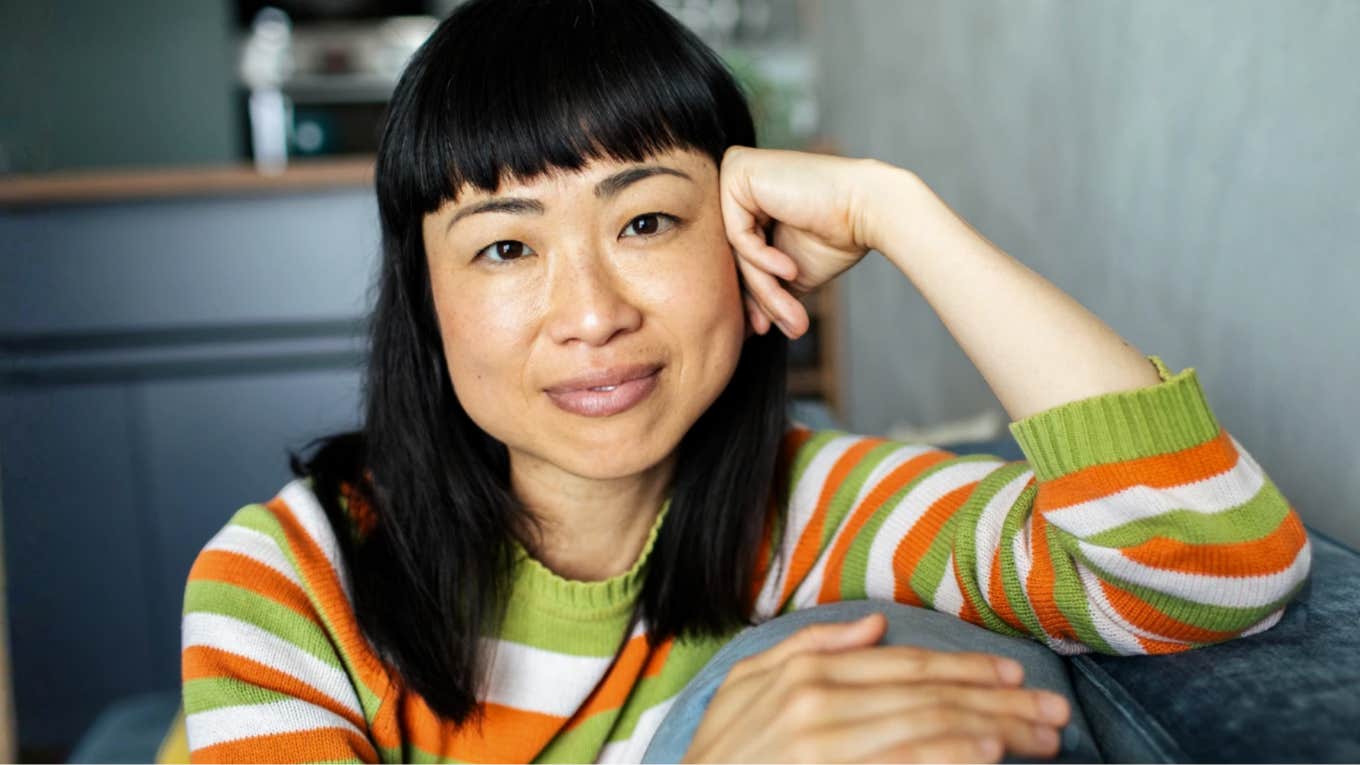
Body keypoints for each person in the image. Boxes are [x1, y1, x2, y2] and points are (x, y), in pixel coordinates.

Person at [179, 0, 1311, 762]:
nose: (592, 315)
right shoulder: (289, 579)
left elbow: (1215, 567)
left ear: (742, 240)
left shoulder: (816, 512)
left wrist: (895, 212)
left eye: (652, 220)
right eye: (506, 247)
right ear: (425, 305)